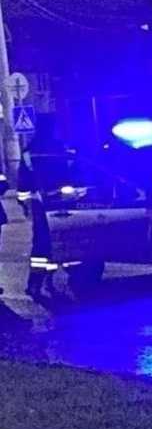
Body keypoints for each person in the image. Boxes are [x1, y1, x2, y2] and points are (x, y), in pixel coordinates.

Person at [17, 115, 70, 297]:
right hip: (59, 201)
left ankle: (37, 283)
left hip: (39, 203)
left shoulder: (29, 151)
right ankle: (43, 283)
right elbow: (68, 174)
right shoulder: (59, 148)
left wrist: (24, 204)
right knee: (51, 242)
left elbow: (22, 181)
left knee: (42, 243)